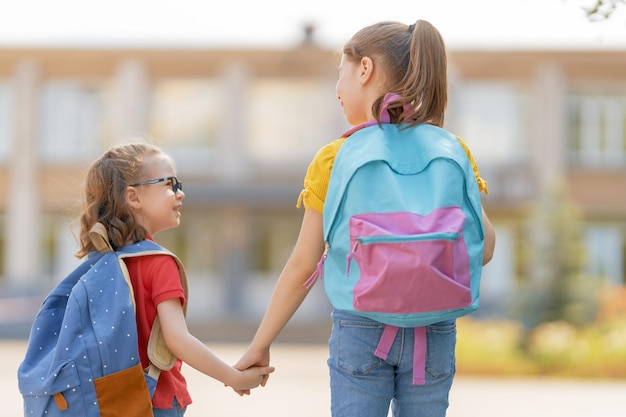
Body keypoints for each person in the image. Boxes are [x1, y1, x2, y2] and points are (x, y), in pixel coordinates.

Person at [234, 19, 496, 417]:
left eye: (340, 74)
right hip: (435, 330)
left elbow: (305, 264)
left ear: (365, 69)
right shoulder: (452, 148)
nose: (338, 91)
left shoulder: (335, 157)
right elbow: (485, 247)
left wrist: (260, 344)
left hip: (361, 326)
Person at [75, 142, 274, 417]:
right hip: (156, 401)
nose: (181, 193)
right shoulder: (158, 262)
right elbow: (177, 339)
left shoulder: (104, 261)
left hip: (112, 400)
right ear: (133, 197)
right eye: (170, 184)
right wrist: (233, 377)